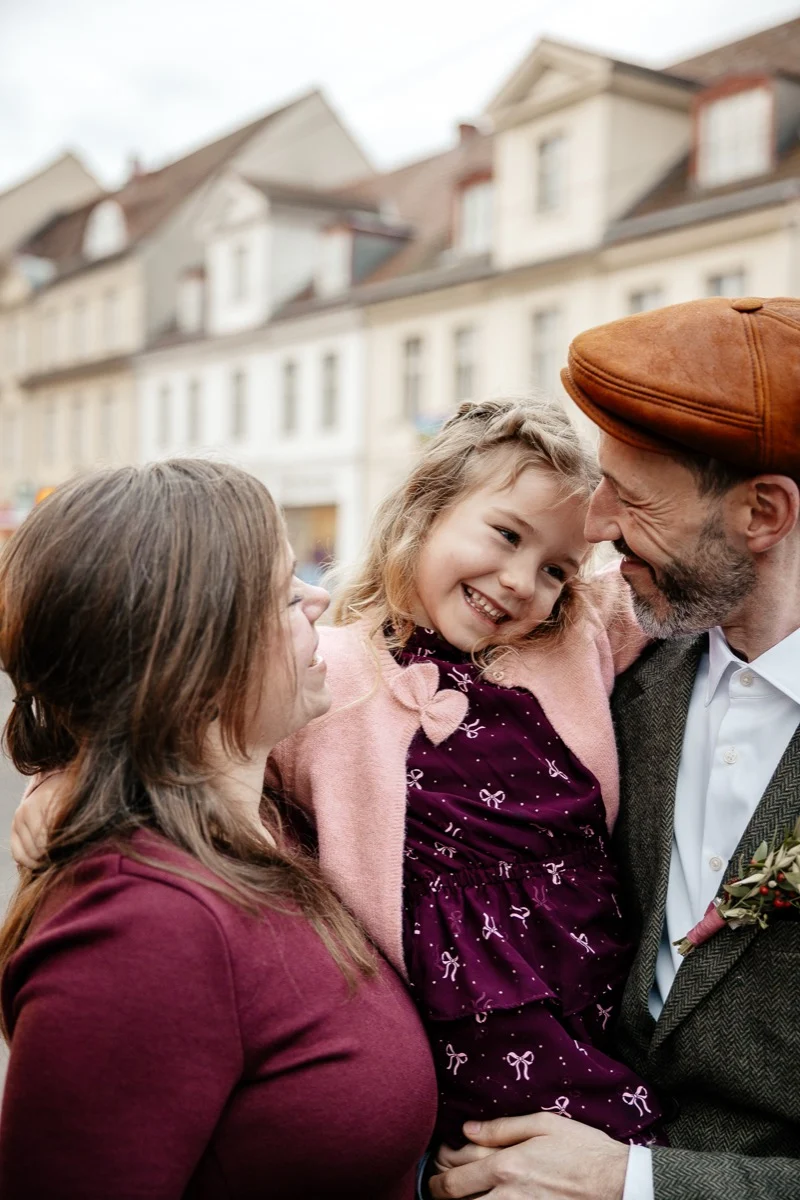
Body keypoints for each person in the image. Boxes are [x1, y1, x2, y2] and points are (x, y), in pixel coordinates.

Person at [11, 400, 665, 1170]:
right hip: (459, 1028)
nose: (524, 582)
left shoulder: (572, 637)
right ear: (424, 511)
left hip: (588, 992)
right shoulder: (329, 672)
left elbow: (686, 576)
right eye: (505, 534)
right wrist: (64, 783)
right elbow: (164, 720)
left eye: (556, 569)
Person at [424, 296, 800, 1200]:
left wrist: (637, 1183)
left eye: (630, 497)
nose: (594, 526)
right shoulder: (604, 672)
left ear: (762, 512)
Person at [0, 460, 437, 1200]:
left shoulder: (269, 824)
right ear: (196, 656)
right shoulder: (142, 925)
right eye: (284, 592)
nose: (318, 598)